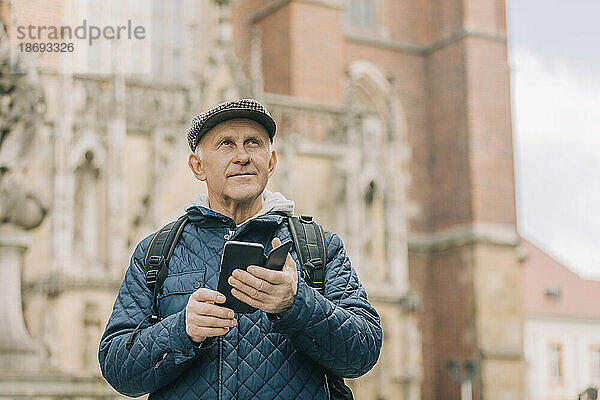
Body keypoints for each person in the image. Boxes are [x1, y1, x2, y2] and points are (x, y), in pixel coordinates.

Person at [98, 98, 383, 399]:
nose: (242, 156)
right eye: (226, 144)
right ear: (198, 166)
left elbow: (362, 354)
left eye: (253, 143)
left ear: (271, 162)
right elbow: (118, 369)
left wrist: (295, 303)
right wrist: (183, 329)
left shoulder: (319, 247)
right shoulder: (156, 252)